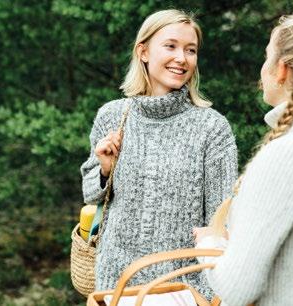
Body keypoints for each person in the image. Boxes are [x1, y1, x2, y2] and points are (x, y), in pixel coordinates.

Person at [80, 9, 238, 298]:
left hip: (182, 291)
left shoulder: (212, 127)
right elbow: (90, 194)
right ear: (143, 51)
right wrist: (104, 170)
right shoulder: (112, 115)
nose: (182, 58)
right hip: (117, 287)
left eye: (191, 50)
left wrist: (204, 293)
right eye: (171, 46)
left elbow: (221, 223)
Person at [193, 10, 293, 305]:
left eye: (266, 56)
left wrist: (210, 243)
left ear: (282, 70)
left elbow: (236, 288)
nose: (262, 69)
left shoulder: (285, 157)